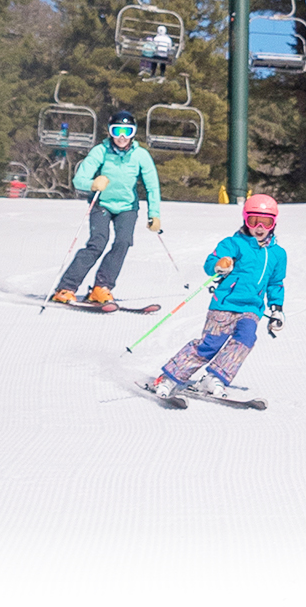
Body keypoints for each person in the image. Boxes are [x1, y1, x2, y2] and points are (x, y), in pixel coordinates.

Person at [151, 194, 287, 400]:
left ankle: (215, 378)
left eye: (266, 222)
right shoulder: (234, 243)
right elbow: (211, 262)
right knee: (210, 345)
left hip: (251, 309)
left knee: (246, 339)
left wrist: (277, 309)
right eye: (253, 221)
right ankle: (170, 377)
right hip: (224, 305)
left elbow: (276, 283)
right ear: (245, 220)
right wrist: (220, 264)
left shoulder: (278, 254)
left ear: (274, 223)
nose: (259, 227)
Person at [50, 111, 161, 305]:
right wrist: (93, 184)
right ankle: (66, 288)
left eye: (127, 131)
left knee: (123, 242)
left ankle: (102, 287)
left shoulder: (141, 155)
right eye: (117, 130)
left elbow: (152, 186)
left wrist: (154, 215)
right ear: (110, 132)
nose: (122, 136)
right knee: (97, 243)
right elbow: (80, 180)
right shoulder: (100, 151)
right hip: (102, 204)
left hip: (127, 207)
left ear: (133, 133)